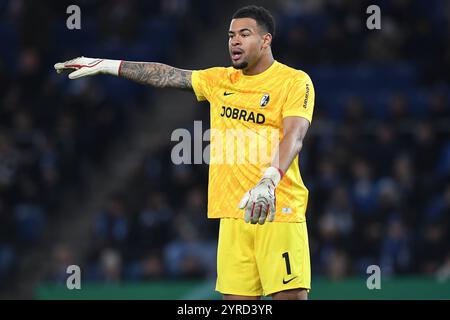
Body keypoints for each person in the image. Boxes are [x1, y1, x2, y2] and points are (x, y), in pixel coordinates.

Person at [55, 5, 315, 300]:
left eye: (244, 34)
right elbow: (166, 75)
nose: (235, 42)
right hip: (233, 216)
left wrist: (269, 180)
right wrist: (106, 65)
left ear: (266, 40)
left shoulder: (294, 81)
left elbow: (295, 135)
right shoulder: (220, 80)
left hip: (277, 210)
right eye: (231, 36)